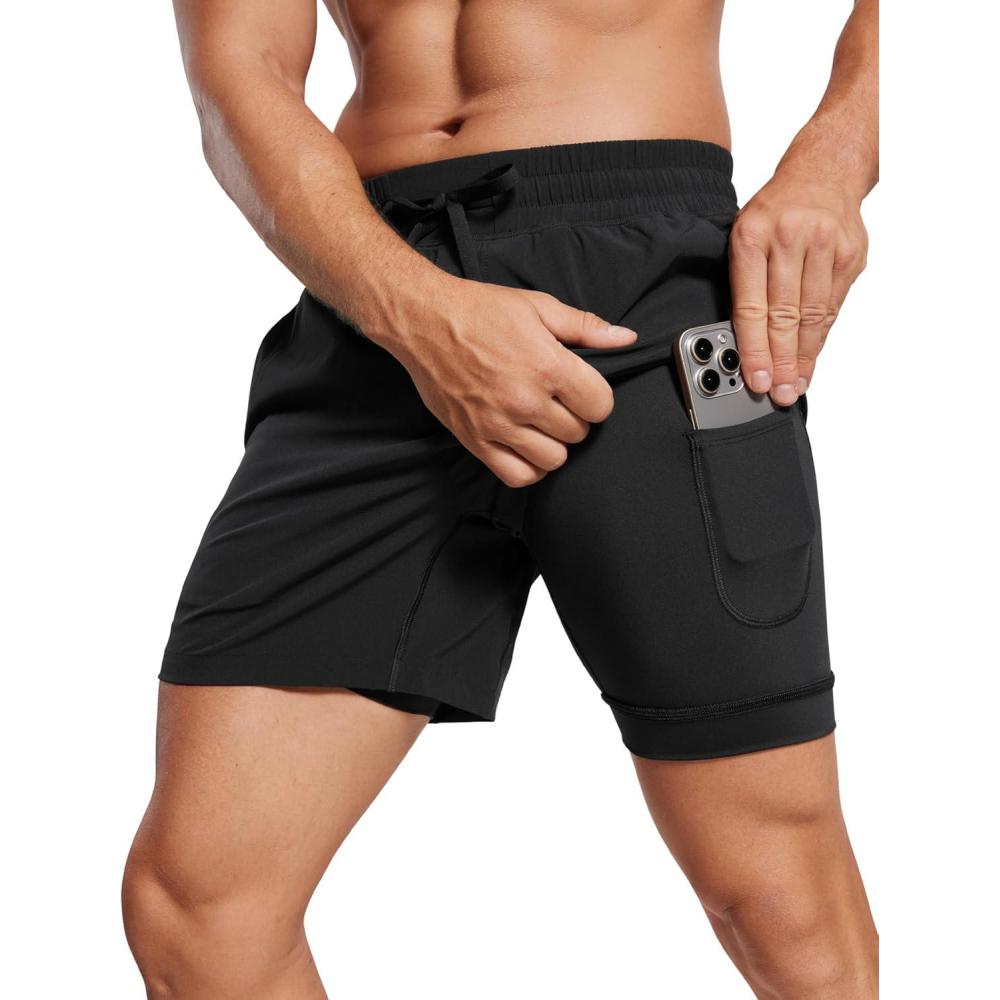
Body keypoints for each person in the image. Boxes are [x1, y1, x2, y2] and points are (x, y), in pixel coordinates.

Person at [123, 0, 878, 995]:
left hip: (654, 294)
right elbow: (238, 72)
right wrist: (414, 313)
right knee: (199, 906)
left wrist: (839, 157)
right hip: (371, 295)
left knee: (779, 903)